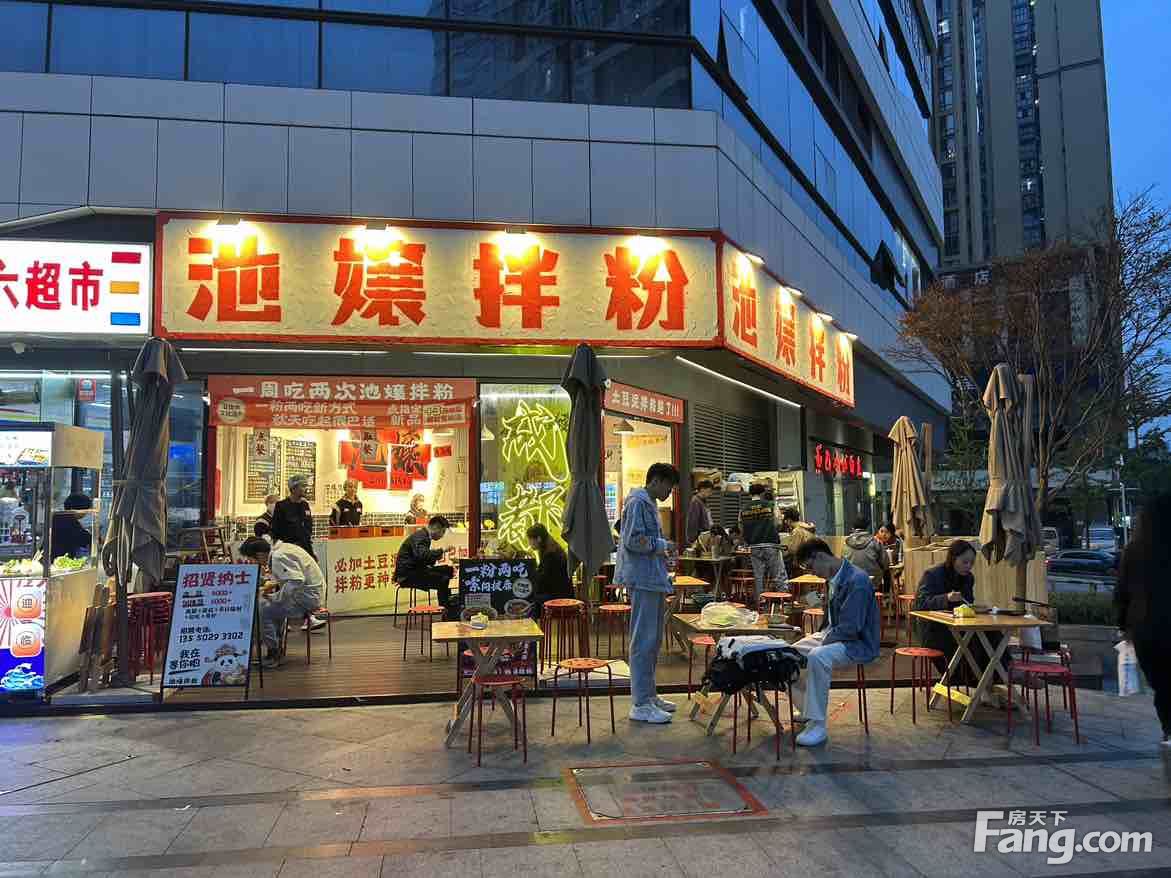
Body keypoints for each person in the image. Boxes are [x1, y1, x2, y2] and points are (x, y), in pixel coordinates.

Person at [788, 538, 881, 746]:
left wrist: (824, 641)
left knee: (818, 656)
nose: (812, 573)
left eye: (811, 567)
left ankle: (817, 726)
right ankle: (807, 710)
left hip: (857, 642)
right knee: (788, 656)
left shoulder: (857, 580)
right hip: (834, 634)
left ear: (820, 556)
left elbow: (851, 627)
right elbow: (833, 622)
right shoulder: (833, 578)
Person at [615, 462, 680, 724]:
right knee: (643, 640)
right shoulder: (638, 503)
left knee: (652, 640)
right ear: (656, 481)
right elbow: (633, 540)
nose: (669, 493)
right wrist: (663, 545)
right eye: (669, 487)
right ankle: (640, 703)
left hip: (651, 578)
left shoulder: (647, 503)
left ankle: (649, 695)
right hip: (643, 580)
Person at [1114, 492, 1171, 746]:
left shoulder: (1134, 550)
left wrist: (1122, 626)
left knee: (1162, 685)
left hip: (1145, 630)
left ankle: (1169, 728)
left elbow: (1121, 592)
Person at [240, 536, 324, 669]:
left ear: (260, 554)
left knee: (262, 610)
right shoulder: (282, 549)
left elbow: (296, 580)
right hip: (309, 594)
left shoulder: (278, 557)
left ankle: (273, 653)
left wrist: (276, 597)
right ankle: (276, 646)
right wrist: (275, 593)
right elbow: (291, 578)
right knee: (267, 605)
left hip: (307, 599)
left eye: (252, 559)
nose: (252, 562)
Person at [913, 540, 987, 680]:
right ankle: (971, 680)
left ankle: (994, 677)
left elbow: (968, 602)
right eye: (965, 562)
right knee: (972, 642)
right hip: (934, 628)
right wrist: (946, 598)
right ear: (953, 558)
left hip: (958, 626)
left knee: (990, 635)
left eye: (971, 563)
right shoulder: (932, 574)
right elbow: (920, 603)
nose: (968, 566)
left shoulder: (968, 578)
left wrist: (974, 608)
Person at [394, 515, 454, 607]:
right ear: (435, 527)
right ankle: (446, 608)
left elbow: (423, 559)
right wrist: (441, 551)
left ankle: (448, 602)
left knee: (448, 569)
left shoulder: (424, 536)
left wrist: (435, 557)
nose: (442, 536)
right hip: (407, 575)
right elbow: (421, 555)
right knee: (443, 579)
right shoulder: (421, 537)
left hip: (416, 570)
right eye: (442, 532)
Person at [740, 483, 786, 601]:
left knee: (758, 574)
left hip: (754, 545)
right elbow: (778, 522)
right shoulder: (770, 505)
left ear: (750, 494)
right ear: (762, 493)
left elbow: (741, 527)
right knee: (777, 573)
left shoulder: (743, 509)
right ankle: (782, 599)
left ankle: (760, 600)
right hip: (770, 543)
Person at [526, 523, 573, 618]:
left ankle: (533, 625)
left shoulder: (551, 553)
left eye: (530, 539)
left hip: (559, 595)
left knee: (530, 598)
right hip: (560, 592)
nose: (529, 543)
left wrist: (531, 577)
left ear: (538, 539)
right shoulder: (550, 548)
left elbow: (544, 579)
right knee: (532, 596)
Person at [272, 475, 314, 557]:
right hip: (289, 550)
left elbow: (308, 527)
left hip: (305, 549)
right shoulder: (281, 506)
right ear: (293, 488)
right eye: (303, 486)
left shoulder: (305, 505)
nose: (306, 489)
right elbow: (275, 531)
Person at [844, 517, 890, 584]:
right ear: (867, 527)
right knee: (887, 572)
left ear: (853, 528)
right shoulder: (875, 542)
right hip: (873, 581)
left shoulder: (846, 543)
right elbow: (885, 563)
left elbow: (844, 564)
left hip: (852, 581)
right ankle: (886, 591)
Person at [50, 493, 93, 560]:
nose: (85, 514)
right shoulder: (67, 520)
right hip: (58, 559)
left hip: (55, 557)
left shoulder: (59, 517)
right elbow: (83, 539)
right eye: (85, 511)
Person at [685, 479, 714, 546]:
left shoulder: (703, 502)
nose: (710, 494)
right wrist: (693, 540)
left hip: (704, 536)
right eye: (709, 491)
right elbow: (693, 522)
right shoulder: (696, 502)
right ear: (702, 490)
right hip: (699, 538)